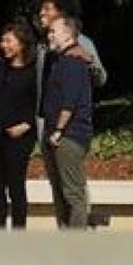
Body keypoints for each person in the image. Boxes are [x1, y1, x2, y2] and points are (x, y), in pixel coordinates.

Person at [0, 19, 38, 230]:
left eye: (9, 41)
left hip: (19, 138)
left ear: (22, 43)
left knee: (16, 187)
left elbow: (40, 104)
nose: (4, 45)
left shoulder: (33, 73)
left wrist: (27, 125)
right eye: (2, 41)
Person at [40, 16, 93, 229]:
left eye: (54, 31)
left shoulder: (73, 62)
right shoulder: (60, 61)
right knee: (59, 192)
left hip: (68, 136)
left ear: (68, 35)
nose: (49, 35)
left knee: (73, 193)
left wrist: (59, 130)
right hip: (54, 134)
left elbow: (69, 103)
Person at [35, 0, 107, 89]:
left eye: (47, 9)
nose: (41, 13)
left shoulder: (81, 41)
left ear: (61, 12)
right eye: (41, 9)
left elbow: (101, 79)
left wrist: (90, 61)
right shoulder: (41, 45)